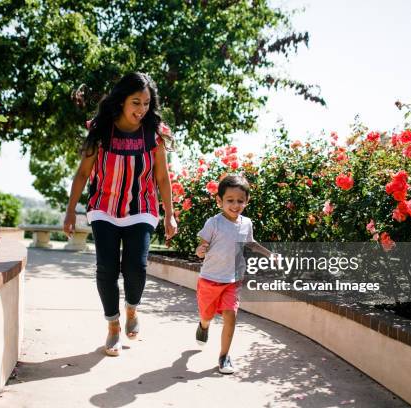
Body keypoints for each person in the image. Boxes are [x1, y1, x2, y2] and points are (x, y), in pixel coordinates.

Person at [64, 72, 177, 357]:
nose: (141, 109)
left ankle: (132, 309)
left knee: (135, 267)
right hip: (104, 208)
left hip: (142, 207)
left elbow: (162, 178)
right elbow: (82, 174)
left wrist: (170, 215)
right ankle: (113, 326)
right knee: (107, 268)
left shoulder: (155, 133)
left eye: (146, 103)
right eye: (135, 102)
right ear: (122, 101)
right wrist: (69, 211)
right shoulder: (101, 129)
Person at [194, 174, 272, 374]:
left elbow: (250, 243)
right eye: (230, 200)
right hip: (210, 279)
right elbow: (202, 245)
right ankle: (203, 325)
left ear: (247, 201)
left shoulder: (246, 223)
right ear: (219, 201)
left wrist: (269, 254)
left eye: (240, 201)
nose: (235, 205)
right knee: (206, 314)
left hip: (233, 280)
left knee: (231, 315)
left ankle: (224, 356)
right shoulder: (214, 223)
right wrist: (201, 250)